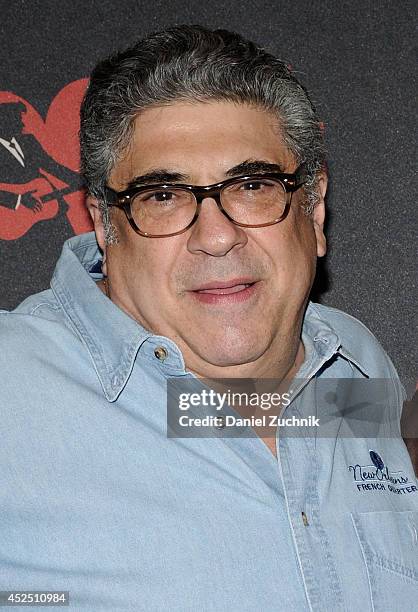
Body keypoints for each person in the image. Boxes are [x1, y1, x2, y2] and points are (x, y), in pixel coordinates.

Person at [0, 25, 416, 612]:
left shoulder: (355, 360)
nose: (217, 236)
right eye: (163, 195)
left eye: (252, 186)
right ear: (103, 223)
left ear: (315, 208)